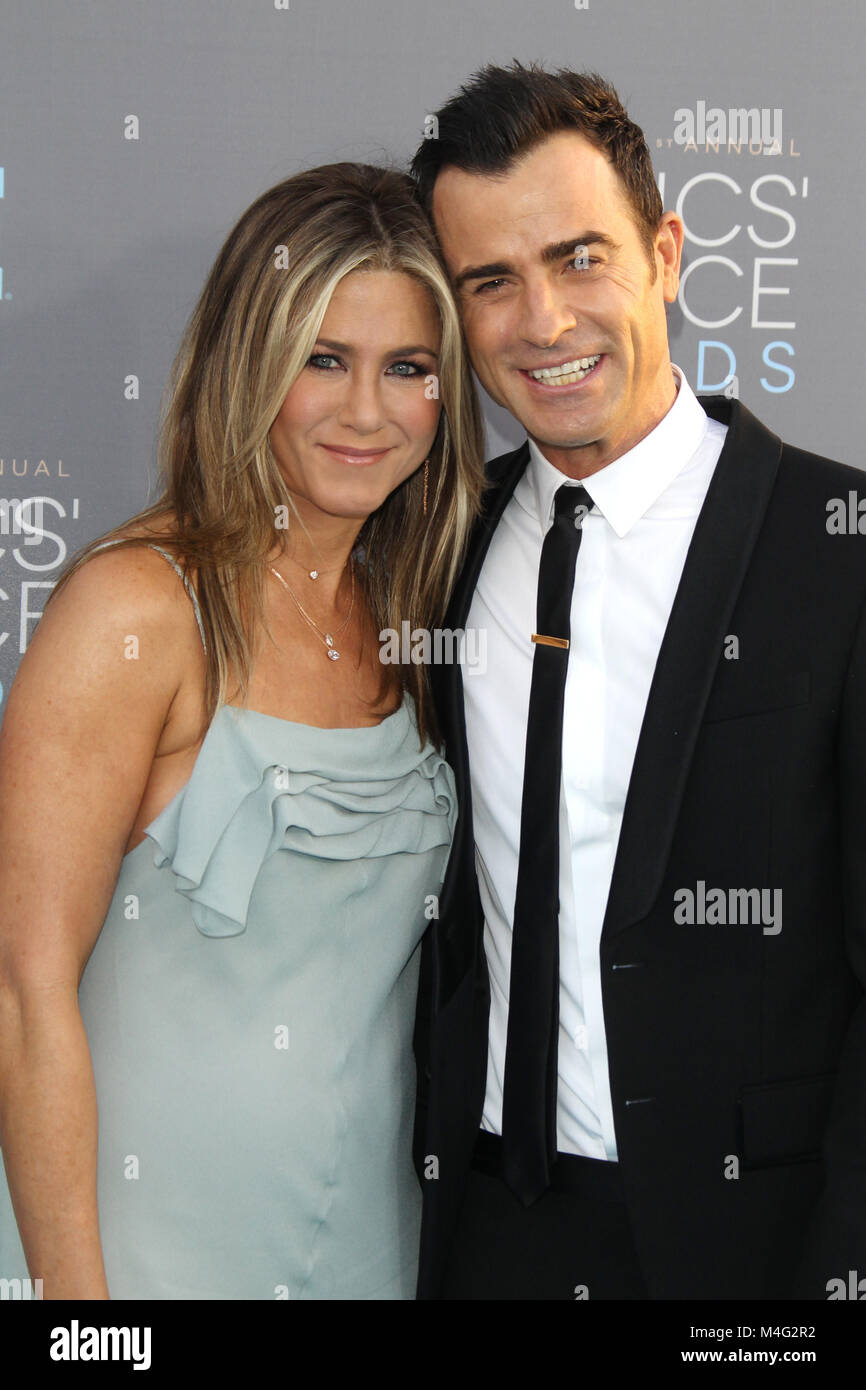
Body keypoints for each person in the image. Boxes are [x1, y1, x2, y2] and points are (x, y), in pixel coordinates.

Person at [408, 61, 866, 1300]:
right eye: (488, 282)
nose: (543, 323)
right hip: (481, 1232)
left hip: (747, 1253)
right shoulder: (431, 549)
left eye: (579, 258)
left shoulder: (839, 544)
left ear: (663, 252)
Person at [0, 162, 485, 1299]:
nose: (366, 412)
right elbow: (24, 999)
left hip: (365, 1244)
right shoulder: (134, 610)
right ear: (246, 360)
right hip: (135, 1254)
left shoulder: (423, 616)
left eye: (407, 368)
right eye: (323, 359)